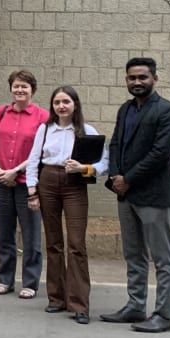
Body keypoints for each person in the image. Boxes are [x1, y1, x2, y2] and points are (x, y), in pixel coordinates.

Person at [100, 57, 170, 333]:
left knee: (162, 258)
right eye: (132, 78)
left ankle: (163, 315)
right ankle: (135, 306)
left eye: (142, 77)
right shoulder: (125, 109)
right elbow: (115, 145)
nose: (137, 82)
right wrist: (115, 177)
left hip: (154, 195)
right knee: (133, 254)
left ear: (154, 79)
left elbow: (160, 153)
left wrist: (128, 179)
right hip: (125, 195)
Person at [26, 86, 109, 325]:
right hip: (48, 182)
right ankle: (56, 298)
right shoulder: (44, 129)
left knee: (76, 244)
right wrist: (32, 191)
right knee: (53, 243)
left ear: (75, 104)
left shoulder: (86, 130)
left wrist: (85, 169)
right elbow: (33, 161)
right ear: (52, 106)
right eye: (57, 102)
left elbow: (104, 161)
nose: (61, 106)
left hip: (74, 185)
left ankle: (79, 303)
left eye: (66, 102)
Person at [0, 69, 48, 298]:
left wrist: (15, 171)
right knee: (4, 232)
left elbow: (40, 152)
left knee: (31, 235)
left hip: (26, 183)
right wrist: (0, 170)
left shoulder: (42, 116)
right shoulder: (0, 113)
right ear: (11, 88)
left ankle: (30, 282)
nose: (20, 90)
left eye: (25, 87)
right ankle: (5, 279)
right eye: (16, 86)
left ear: (32, 90)